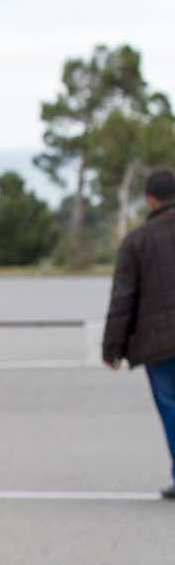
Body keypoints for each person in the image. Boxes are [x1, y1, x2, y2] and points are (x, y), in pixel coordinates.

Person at [103, 167, 175, 498]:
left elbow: (123, 297)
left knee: (172, 407)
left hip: (160, 343)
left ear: (149, 200)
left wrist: (111, 348)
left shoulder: (137, 242)